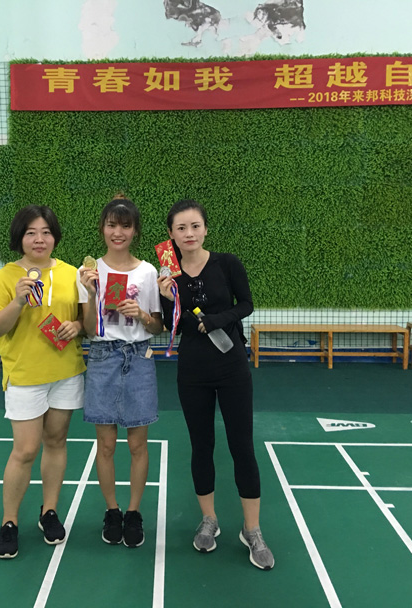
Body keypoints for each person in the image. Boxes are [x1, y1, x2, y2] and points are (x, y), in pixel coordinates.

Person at [157, 199, 275, 570]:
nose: (189, 233)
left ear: (205, 228)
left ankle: (252, 530)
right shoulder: (168, 276)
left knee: (242, 446)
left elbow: (247, 304)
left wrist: (217, 319)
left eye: (195, 226)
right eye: (181, 228)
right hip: (192, 371)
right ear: (171, 235)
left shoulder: (227, 263)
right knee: (201, 445)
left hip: (231, 367)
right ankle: (209, 519)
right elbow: (171, 325)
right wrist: (167, 300)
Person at [0, 205, 86, 560]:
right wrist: (17, 301)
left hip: (66, 372)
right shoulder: (5, 277)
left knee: (56, 442)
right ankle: (9, 521)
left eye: (46, 232)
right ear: (20, 238)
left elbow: (85, 321)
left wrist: (78, 326)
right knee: (25, 450)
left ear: (55, 236)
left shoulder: (72, 274)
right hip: (25, 376)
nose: (39, 239)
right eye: (31, 233)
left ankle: (49, 511)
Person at [78, 196, 163, 548]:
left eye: (125, 226)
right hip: (102, 357)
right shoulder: (88, 272)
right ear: (102, 228)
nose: (118, 232)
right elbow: (88, 330)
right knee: (106, 444)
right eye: (112, 225)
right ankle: (112, 510)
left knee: (138, 443)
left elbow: (157, 326)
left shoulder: (148, 272)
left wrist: (140, 314)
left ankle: (134, 511)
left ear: (135, 231)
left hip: (139, 357)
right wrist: (91, 293)